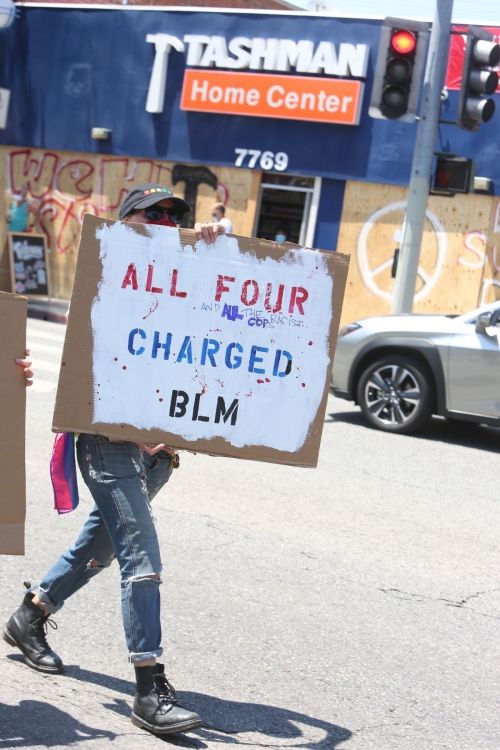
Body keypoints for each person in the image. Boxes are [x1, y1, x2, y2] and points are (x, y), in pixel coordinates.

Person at [3, 184, 226, 737]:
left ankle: (30, 615)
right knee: (140, 556)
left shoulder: (179, 289)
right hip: (108, 444)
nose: (168, 223)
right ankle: (149, 688)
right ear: (127, 223)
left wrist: (211, 240)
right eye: (154, 216)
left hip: (156, 451)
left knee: (102, 542)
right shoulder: (105, 274)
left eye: (176, 216)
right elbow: (99, 369)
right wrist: (137, 429)